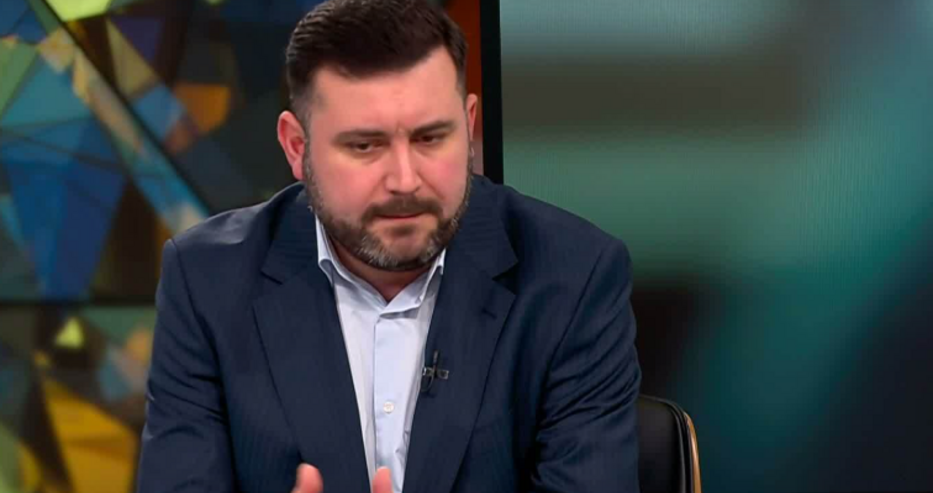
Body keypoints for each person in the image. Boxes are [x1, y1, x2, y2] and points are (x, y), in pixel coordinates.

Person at [135, 0, 640, 492]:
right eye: (365, 145)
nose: (405, 180)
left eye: (430, 138)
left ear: (469, 125)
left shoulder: (572, 278)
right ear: (297, 147)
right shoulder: (208, 282)